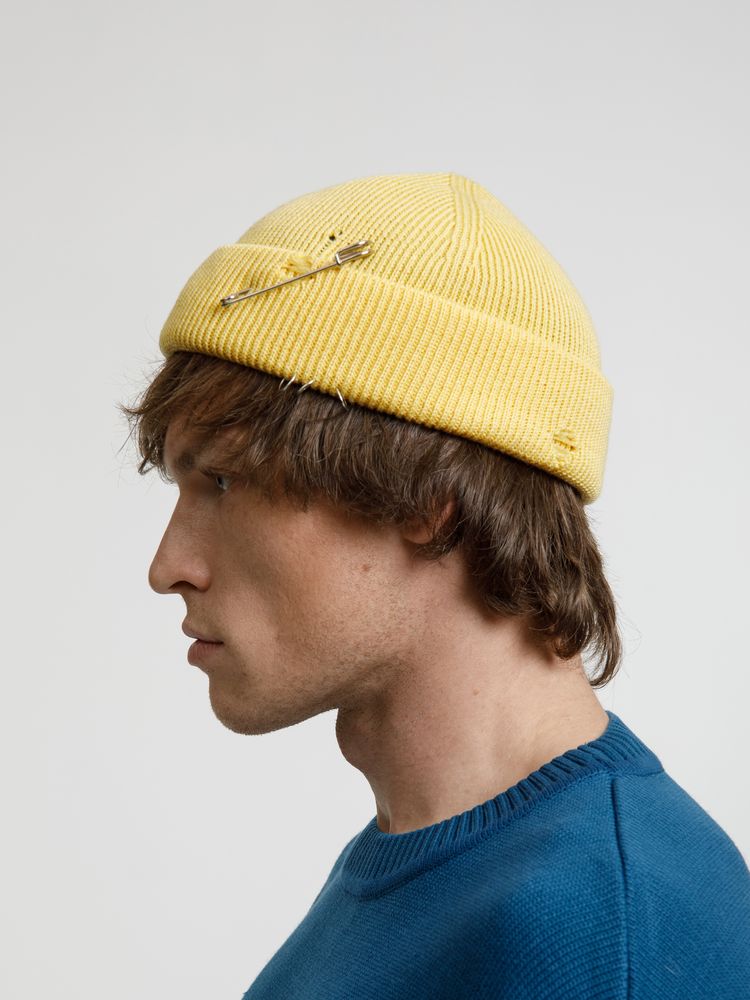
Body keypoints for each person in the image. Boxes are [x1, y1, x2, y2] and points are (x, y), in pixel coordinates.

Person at [120, 172, 750, 999]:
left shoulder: (601, 934)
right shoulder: (430, 864)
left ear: (423, 500)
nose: (169, 567)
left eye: (224, 483)